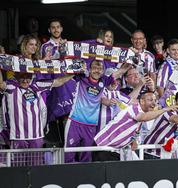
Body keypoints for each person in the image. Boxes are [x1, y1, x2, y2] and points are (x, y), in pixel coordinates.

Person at [0, 68, 75, 165]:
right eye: (22, 77)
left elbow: (58, 81)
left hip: (37, 137)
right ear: (17, 75)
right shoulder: (11, 87)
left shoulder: (37, 85)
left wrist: (75, 73)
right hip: (18, 138)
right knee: (18, 167)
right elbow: (1, 84)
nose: (25, 80)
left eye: (28, 77)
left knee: (36, 167)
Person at [64, 60, 131, 163]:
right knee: (68, 155)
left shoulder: (104, 81)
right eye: (95, 68)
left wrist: (132, 58)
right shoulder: (81, 78)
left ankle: (85, 178)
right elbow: (68, 70)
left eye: (100, 69)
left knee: (86, 157)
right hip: (74, 122)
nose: (97, 71)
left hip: (91, 126)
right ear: (89, 70)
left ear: (103, 71)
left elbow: (121, 70)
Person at [94, 91, 178, 150]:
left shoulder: (141, 113)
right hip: (102, 147)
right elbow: (144, 117)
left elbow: (131, 128)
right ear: (141, 101)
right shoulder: (135, 108)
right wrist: (165, 109)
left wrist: (132, 141)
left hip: (113, 150)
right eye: (150, 100)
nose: (154, 103)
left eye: (155, 101)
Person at [38, 18, 77, 147]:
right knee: (59, 117)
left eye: (58, 27)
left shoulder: (68, 45)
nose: (56, 29)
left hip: (70, 83)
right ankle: (62, 148)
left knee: (72, 117)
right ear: (49, 30)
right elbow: (48, 63)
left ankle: (71, 146)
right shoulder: (46, 46)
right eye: (53, 27)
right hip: (56, 85)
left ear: (61, 29)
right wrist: (59, 51)